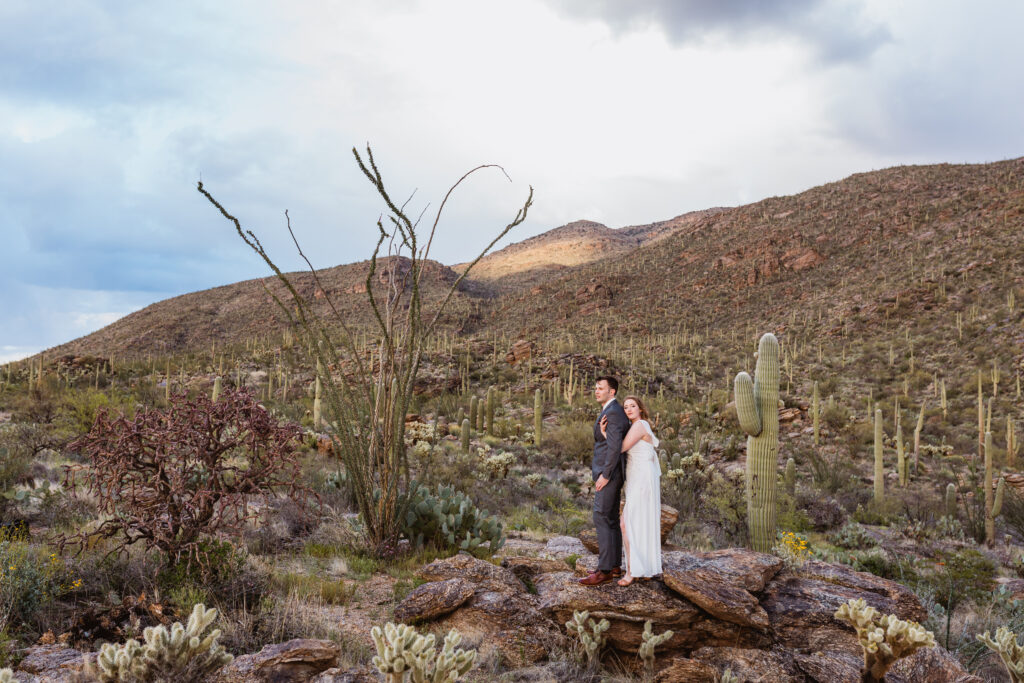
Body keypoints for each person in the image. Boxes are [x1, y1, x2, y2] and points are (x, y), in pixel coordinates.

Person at [601, 395, 661, 586]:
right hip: (639, 478)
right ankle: (642, 568)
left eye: (632, 406)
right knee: (637, 522)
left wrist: (605, 434)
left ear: (640, 408)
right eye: (625, 407)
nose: (628, 409)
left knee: (627, 523)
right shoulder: (640, 425)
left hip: (642, 479)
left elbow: (620, 448)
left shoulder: (639, 425)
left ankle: (632, 572)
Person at [579, 376, 630, 586]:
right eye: (596, 387)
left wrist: (605, 475)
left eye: (601, 388)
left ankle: (604, 571)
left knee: (601, 516)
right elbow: (608, 440)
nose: (596, 391)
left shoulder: (613, 413)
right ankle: (614, 565)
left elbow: (615, 447)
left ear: (612, 392)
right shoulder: (611, 411)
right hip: (610, 473)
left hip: (609, 474)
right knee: (609, 519)